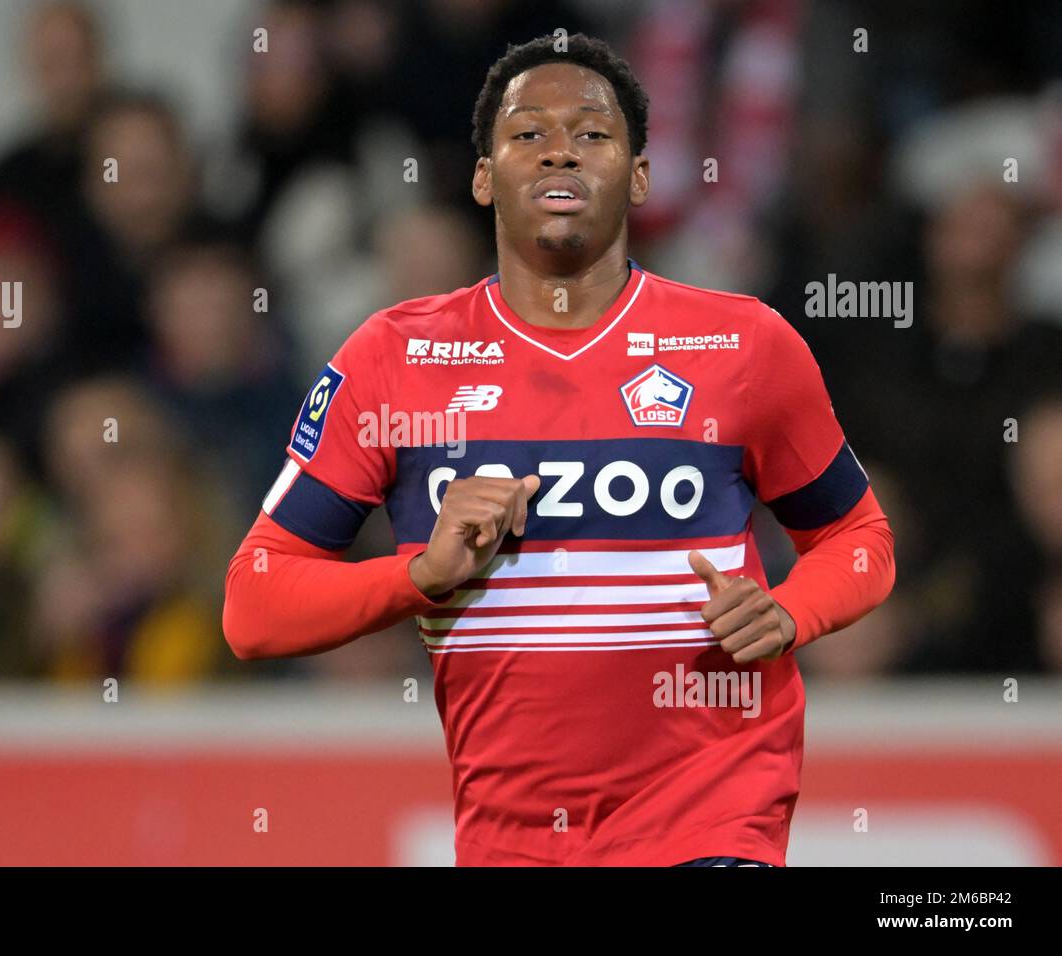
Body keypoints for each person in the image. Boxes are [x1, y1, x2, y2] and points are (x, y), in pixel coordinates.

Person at [223, 34, 895, 867]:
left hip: (712, 819)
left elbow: (860, 540)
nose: (561, 151)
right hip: (511, 839)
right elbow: (253, 607)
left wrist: (792, 609)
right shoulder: (391, 360)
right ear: (482, 177)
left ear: (640, 176)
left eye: (594, 133)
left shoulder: (743, 344)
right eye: (527, 133)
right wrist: (421, 578)